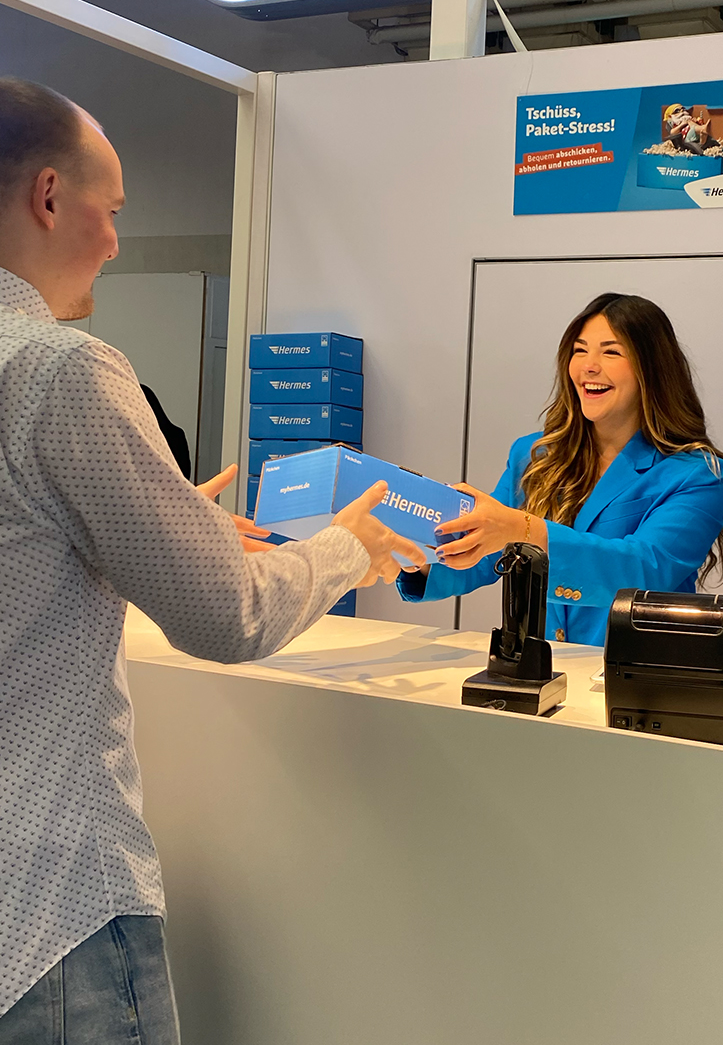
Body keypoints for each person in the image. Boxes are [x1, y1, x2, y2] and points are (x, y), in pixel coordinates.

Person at [0, 77, 425, 1042]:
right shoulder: (61, 368)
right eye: (111, 212)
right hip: (47, 907)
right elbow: (231, 616)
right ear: (49, 196)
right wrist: (345, 549)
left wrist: (147, 527)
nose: (116, 242)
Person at [398, 292, 723, 647]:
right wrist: (417, 558)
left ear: (652, 369)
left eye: (611, 352)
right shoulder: (534, 455)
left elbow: (644, 569)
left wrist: (525, 529)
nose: (588, 366)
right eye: (580, 350)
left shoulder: (699, 474)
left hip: (636, 668)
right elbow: (488, 551)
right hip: (541, 664)